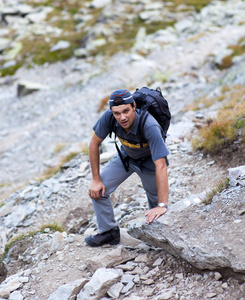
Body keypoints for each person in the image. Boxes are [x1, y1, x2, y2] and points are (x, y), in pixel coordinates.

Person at [85, 89, 169, 247]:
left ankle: (161, 239)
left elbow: (161, 165)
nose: (122, 117)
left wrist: (162, 205)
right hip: (127, 157)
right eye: (117, 113)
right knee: (98, 190)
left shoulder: (150, 125)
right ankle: (109, 232)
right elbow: (94, 143)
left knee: (157, 206)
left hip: (150, 162)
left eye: (126, 111)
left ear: (134, 106)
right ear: (112, 112)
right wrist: (95, 179)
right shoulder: (109, 117)